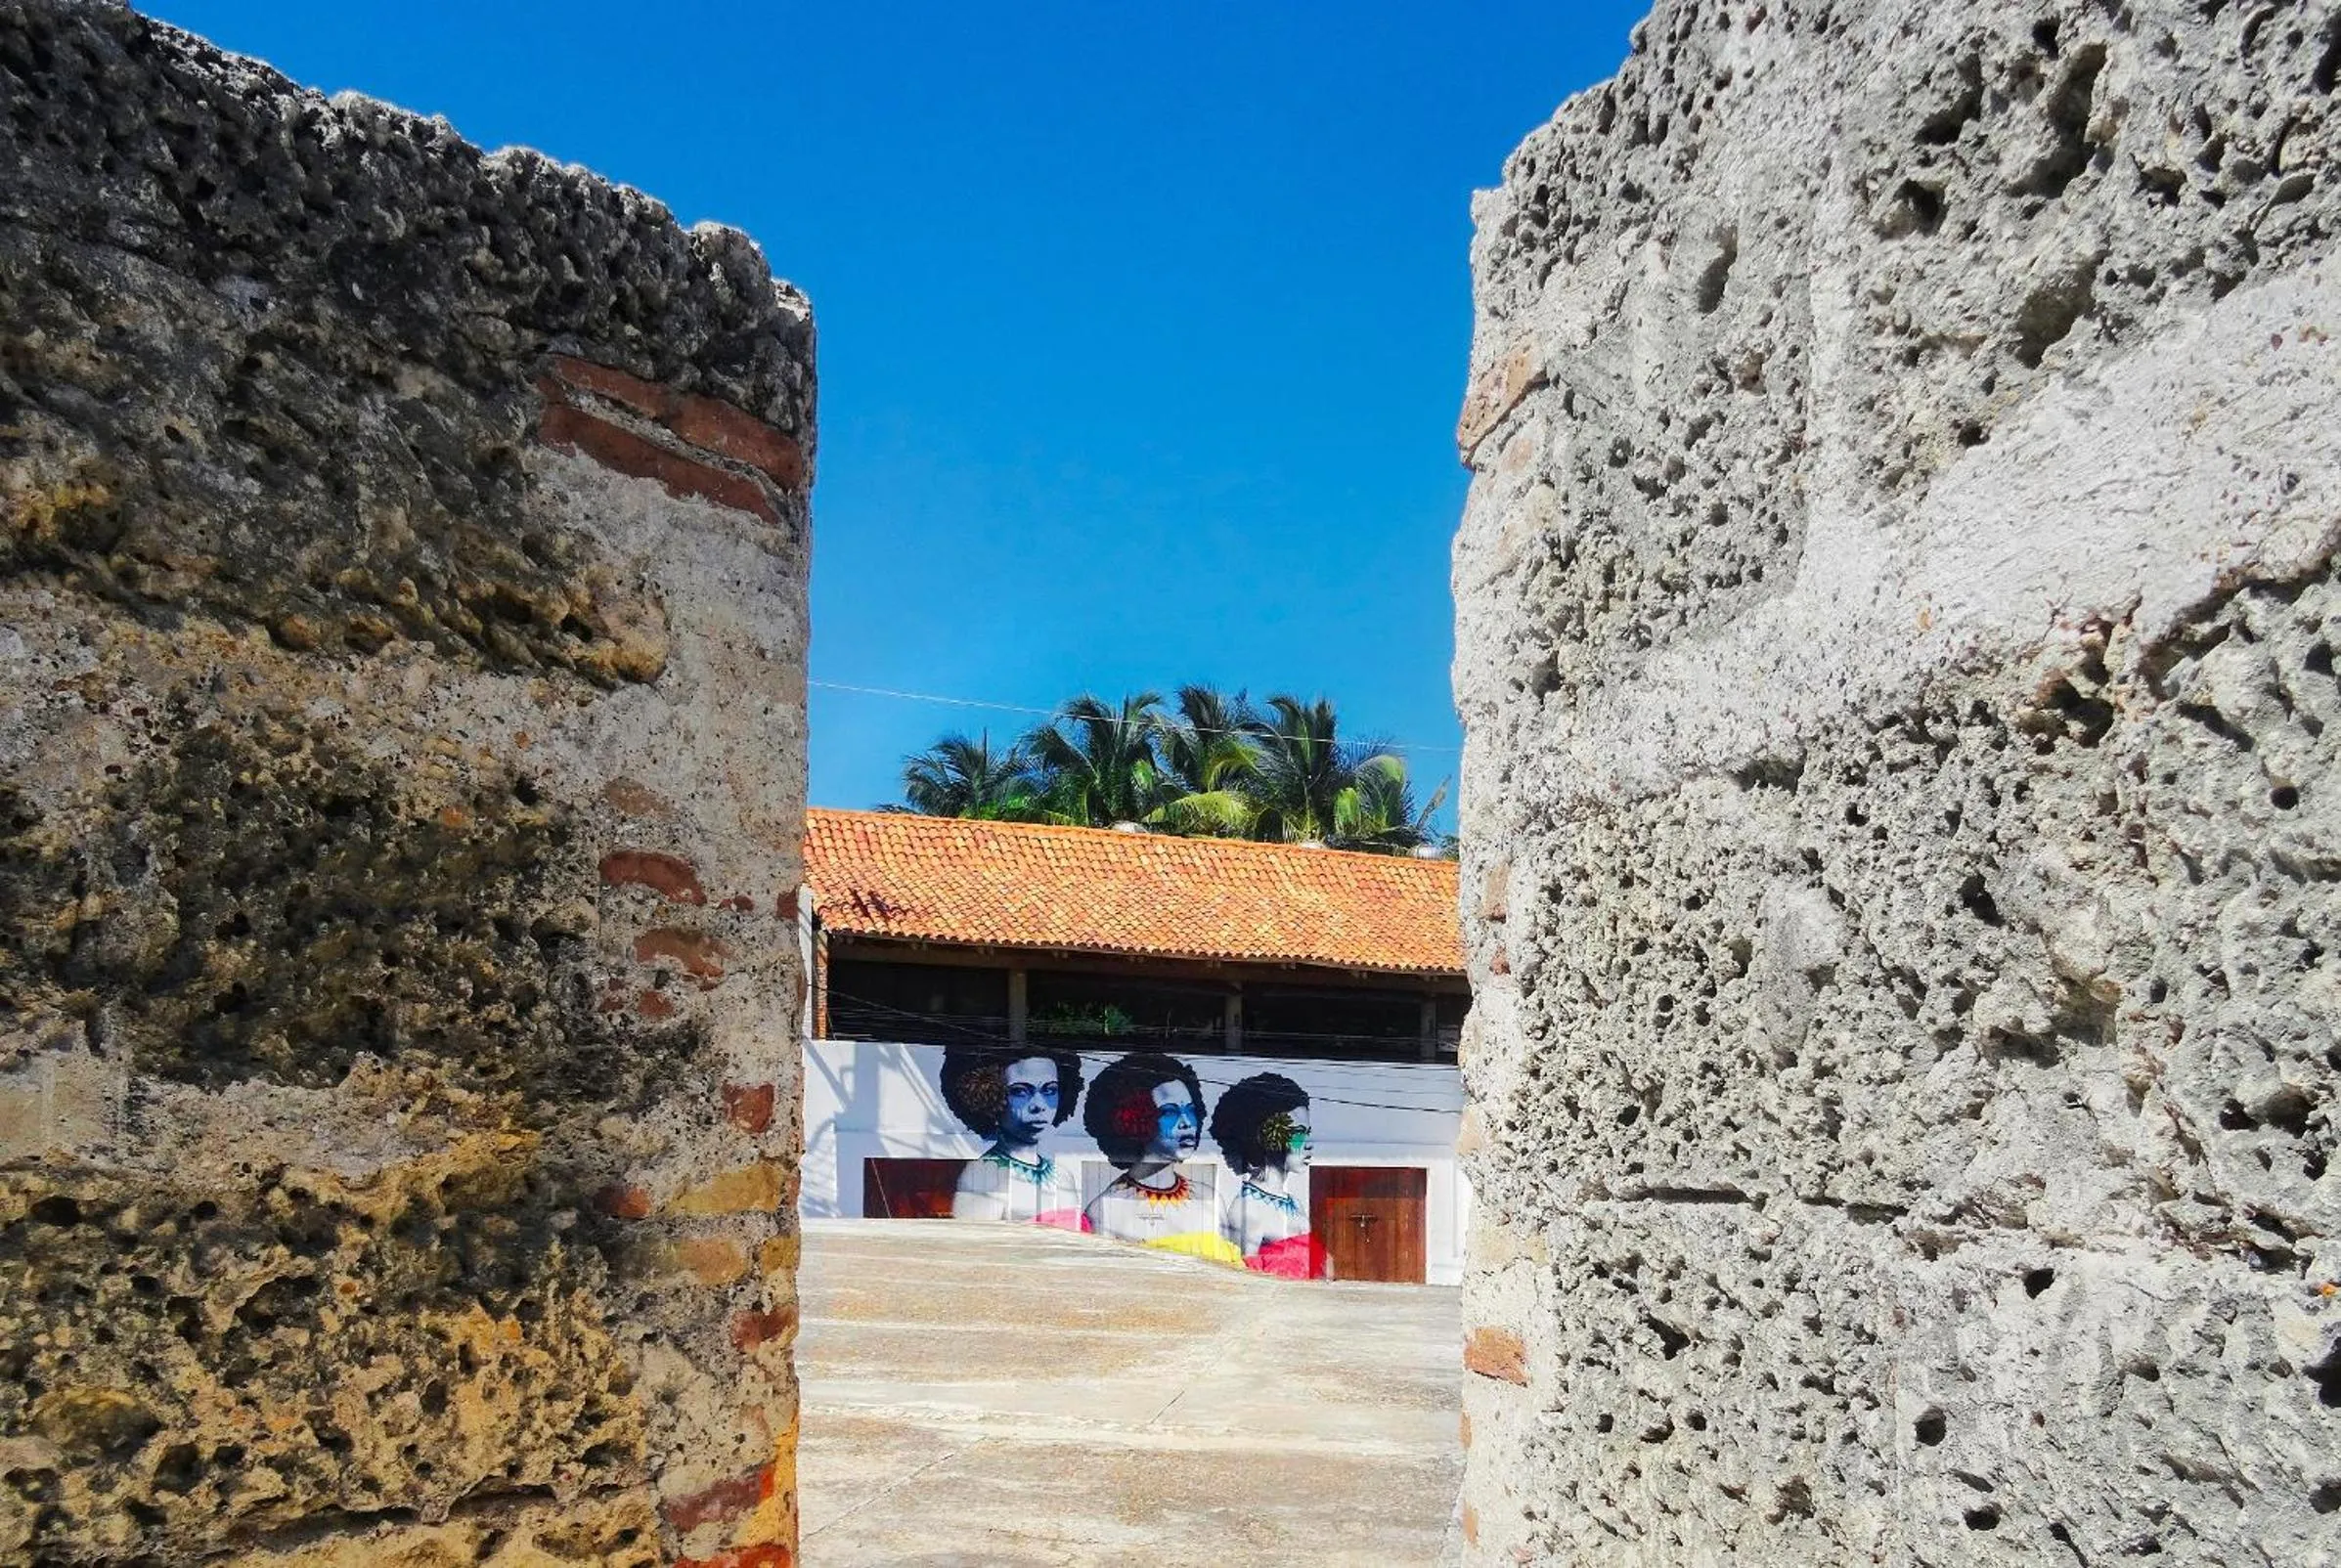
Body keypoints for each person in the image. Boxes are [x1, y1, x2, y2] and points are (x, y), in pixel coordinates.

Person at [1079, 1051, 1236, 1263]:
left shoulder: (1210, 1199)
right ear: (1136, 1119)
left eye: (1190, 1110)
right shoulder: (1105, 1209)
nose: (1186, 1123)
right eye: (1169, 1112)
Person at [940, 1044, 1086, 1230]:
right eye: (1020, 1091)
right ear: (990, 1095)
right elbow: (975, 1247)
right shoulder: (984, 1174)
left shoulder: (1063, 1177)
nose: (1039, 1105)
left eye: (1049, 1090)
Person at [1209, 1071, 1322, 1278]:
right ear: (1268, 1138)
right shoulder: (1247, 1209)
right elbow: (1245, 1278)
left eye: (1307, 1133)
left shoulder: (1294, 1203)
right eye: (1298, 1134)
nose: (1309, 1144)